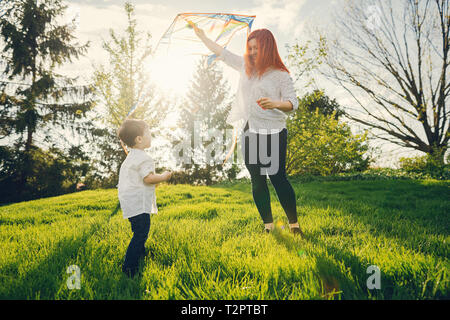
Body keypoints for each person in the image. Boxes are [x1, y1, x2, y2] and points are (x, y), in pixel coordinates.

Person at [193, 25, 304, 237]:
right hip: (250, 129)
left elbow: (293, 103)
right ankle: (268, 226)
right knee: (257, 178)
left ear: (267, 47)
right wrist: (204, 37)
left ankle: (294, 225)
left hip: (273, 130)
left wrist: (275, 103)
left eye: (256, 48)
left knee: (277, 177)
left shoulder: (281, 75)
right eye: (250, 48)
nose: (252, 53)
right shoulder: (245, 66)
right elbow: (222, 53)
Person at [117, 119, 172, 277]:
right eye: (148, 133)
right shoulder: (144, 157)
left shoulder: (131, 157)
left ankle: (140, 254)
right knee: (141, 233)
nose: (151, 136)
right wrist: (163, 176)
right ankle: (129, 268)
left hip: (129, 202)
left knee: (138, 231)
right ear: (139, 139)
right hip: (138, 203)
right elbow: (148, 178)